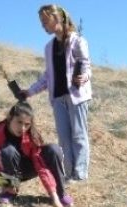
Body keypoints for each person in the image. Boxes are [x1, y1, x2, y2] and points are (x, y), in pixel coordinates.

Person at [22, 4, 92, 183]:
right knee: (64, 137)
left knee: (78, 135)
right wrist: (29, 91)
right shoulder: (48, 47)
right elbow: (47, 76)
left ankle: (80, 174)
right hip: (58, 98)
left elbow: (86, 65)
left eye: (45, 21)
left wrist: (83, 78)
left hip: (77, 96)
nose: (43, 25)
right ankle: (68, 174)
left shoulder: (77, 41)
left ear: (57, 17)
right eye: (42, 22)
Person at [0, 101, 72, 207]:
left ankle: (61, 193)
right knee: (8, 151)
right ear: (10, 118)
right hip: (10, 169)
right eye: (19, 122)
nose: (22, 128)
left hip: (29, 169)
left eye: (27, 124)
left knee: (54, 149)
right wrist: (3, 183)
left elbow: (41, 166)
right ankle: (11, 190)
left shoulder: (32, 136)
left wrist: (54, 197)